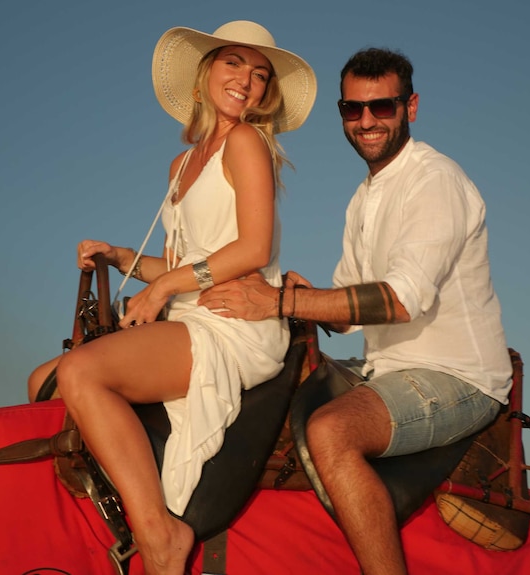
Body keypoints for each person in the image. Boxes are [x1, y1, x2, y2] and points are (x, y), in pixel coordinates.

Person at [198, 47, 512, 575]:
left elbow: (398, 299)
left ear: (410, 107)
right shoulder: (364, 196)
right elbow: (347, 311)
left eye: (382, 107)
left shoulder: (434, 180)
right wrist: (297, 293)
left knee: (330, 433)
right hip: (384, 371)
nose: (366, 121)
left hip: (458, 378)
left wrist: (280, 301)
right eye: (352, 109)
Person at [26, 21, 316, 575]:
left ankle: (160, 537)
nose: (246, 81)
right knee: (42, 379)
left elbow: (252, 247)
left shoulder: (246, 141)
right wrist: (120, 258)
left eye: (259, 74)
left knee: (82, 373)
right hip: (192, 312)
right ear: (206, 72)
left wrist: (162, 286)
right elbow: (185, 266)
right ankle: (102, 524)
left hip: (235, 322)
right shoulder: (180, 166)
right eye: (233, 64)